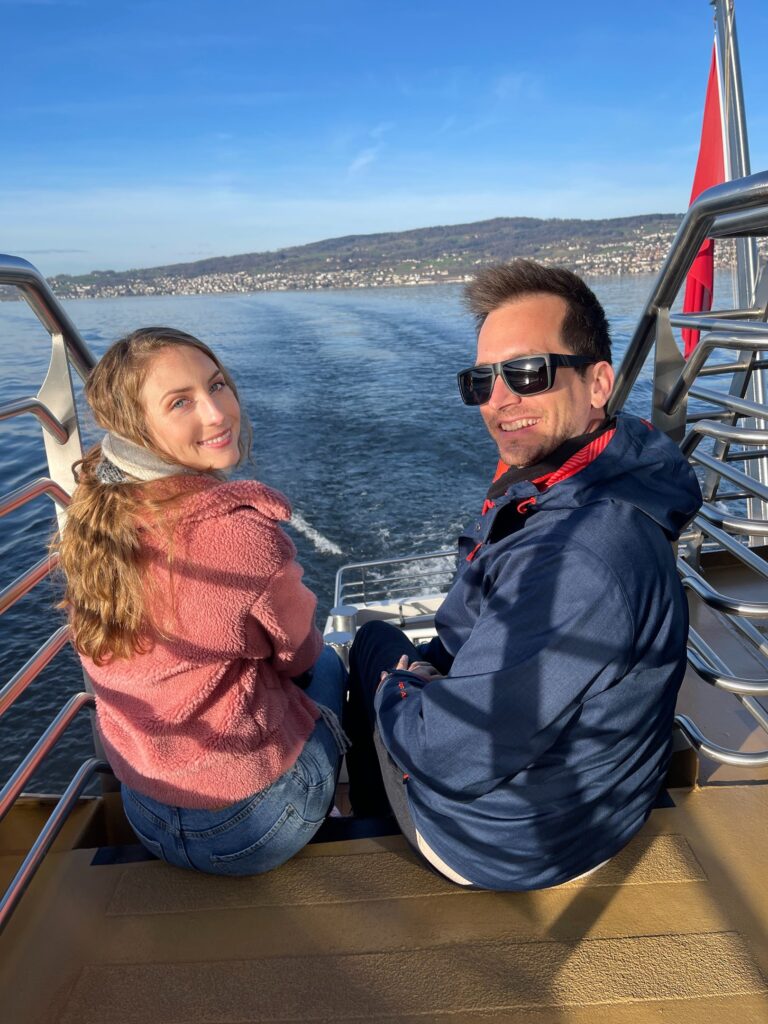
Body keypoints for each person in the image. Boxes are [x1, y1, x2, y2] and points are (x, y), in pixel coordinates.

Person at [344, 259, 702, 891]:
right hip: (587, 801)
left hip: (507, 843)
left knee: (369, 650)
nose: (501, 400)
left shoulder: (578, 557)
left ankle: (380, 829)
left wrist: (400, 689)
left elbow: (449, 752)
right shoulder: (602, 471)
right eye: (482, 381)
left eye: (528, 373)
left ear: (598, 383)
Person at [57, 327, 347, 876]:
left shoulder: (97, 515)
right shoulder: (239, 535)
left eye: (216, 386)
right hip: (255, 826)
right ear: (136, 428)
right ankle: (344, 805)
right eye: (181, 402)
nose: (216, 414)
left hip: (147, 810)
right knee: (332, 659)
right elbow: (299, 657)